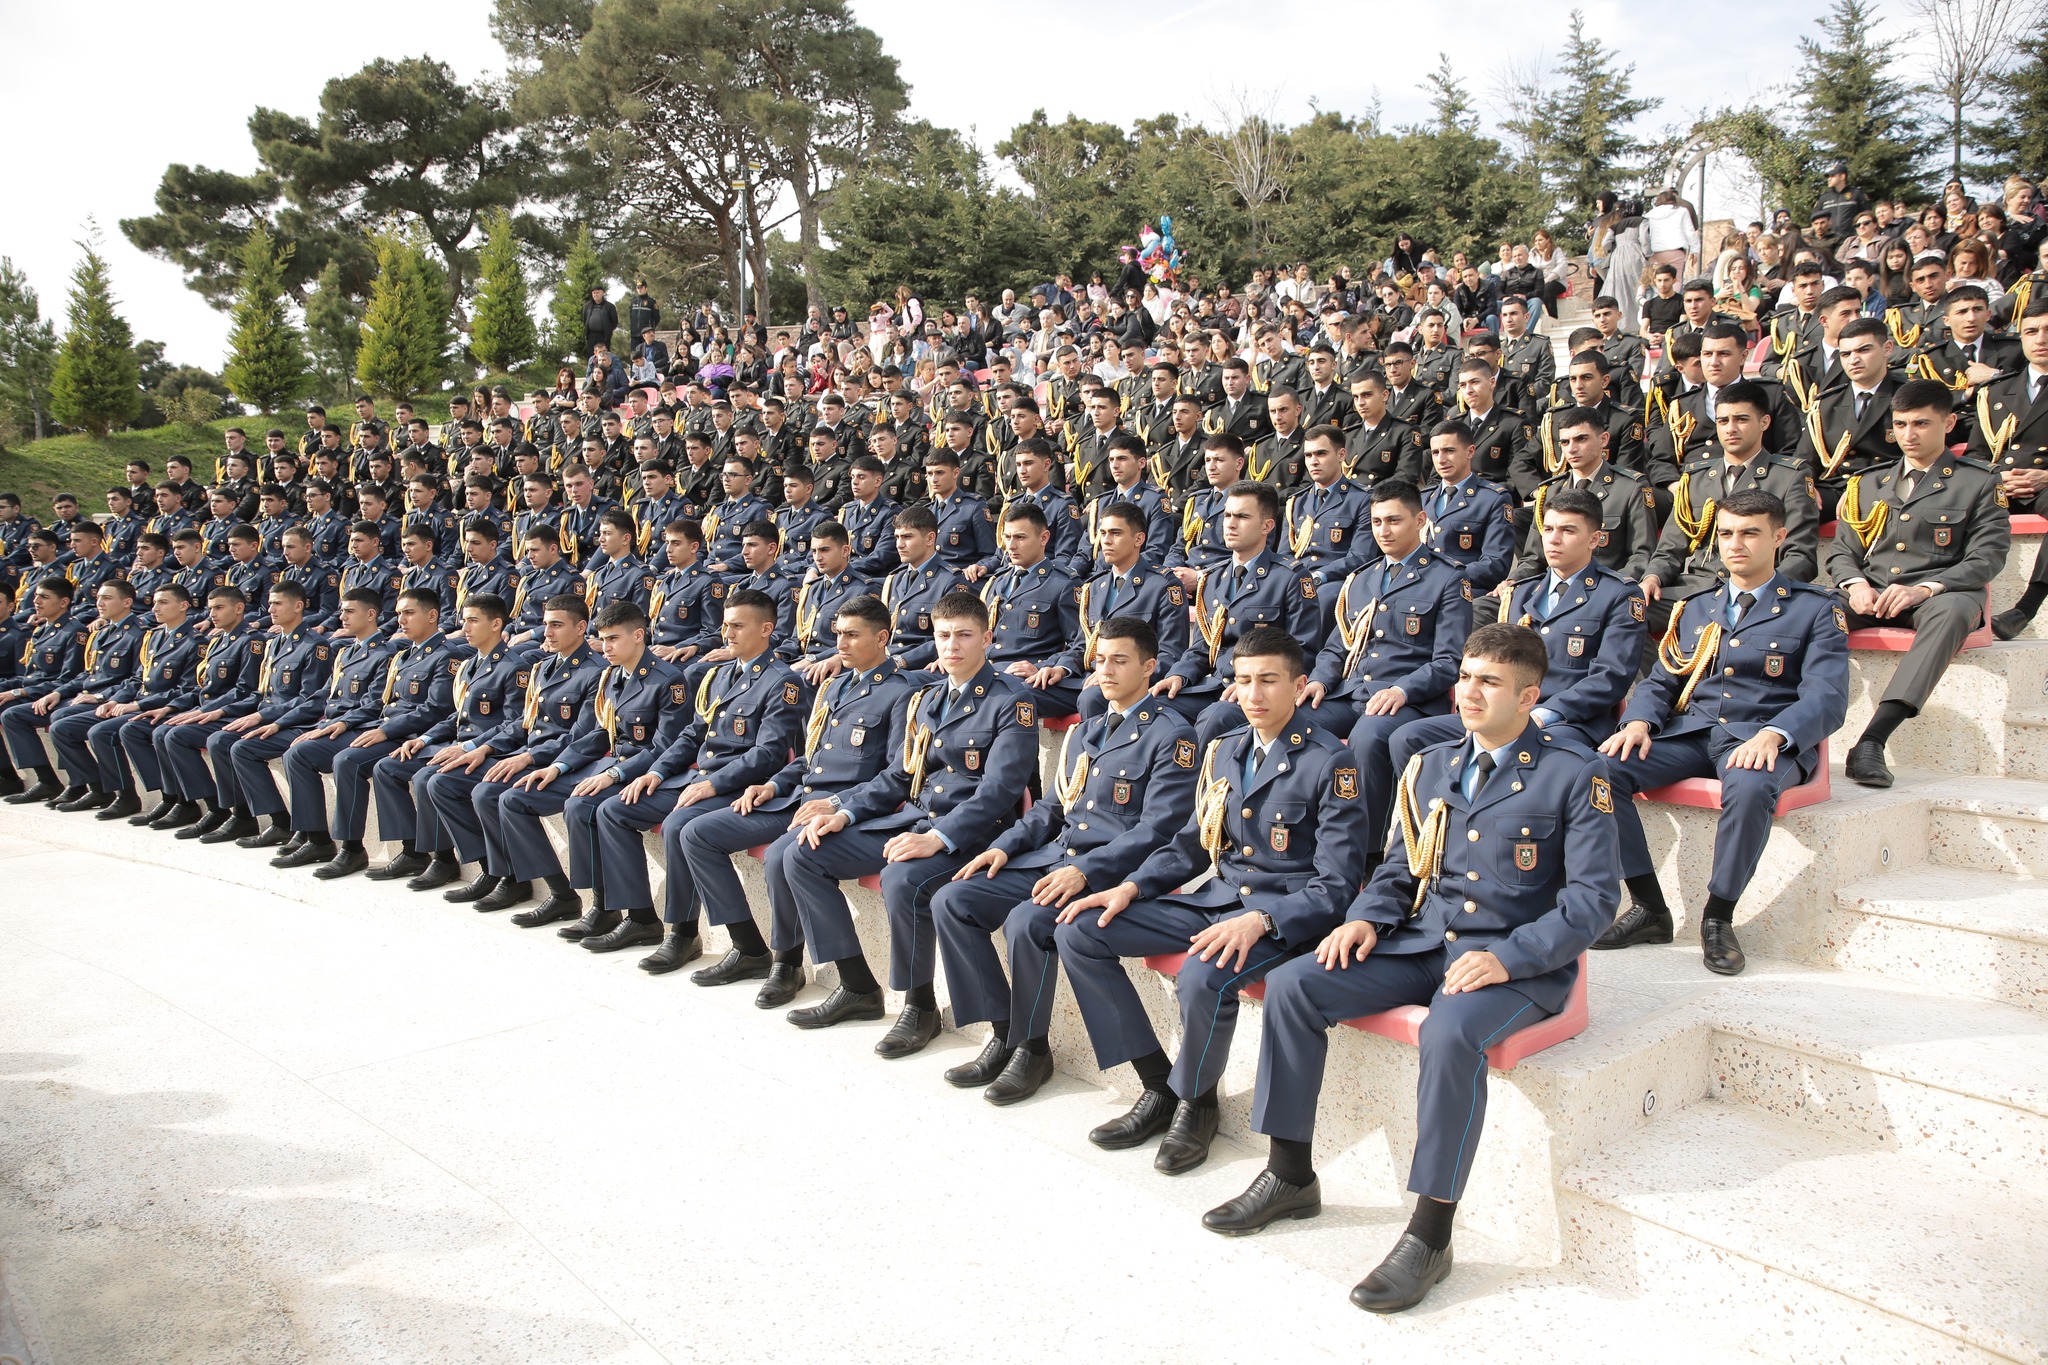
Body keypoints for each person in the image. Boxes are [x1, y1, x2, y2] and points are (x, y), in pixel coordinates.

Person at [1217, 624, 1617, 1314]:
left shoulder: (1574, 773)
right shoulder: (1430, 765)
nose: (1467, 690)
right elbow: (1403, 868)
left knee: (1449, 1033)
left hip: (1514, 963)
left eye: (1488, 680)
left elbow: (1592, 903)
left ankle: (1431, 1231)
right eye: (1464, 675)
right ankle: (1289, 1173)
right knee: (1293, 984)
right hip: (1426, 941)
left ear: (1529, 694)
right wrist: (1366, 918)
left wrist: (1508, 957)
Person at [1055, 624, 1370, 1174]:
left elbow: (1337, 885)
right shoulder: (1224, 748)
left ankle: (1196, 1106)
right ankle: (1158, 1085)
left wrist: (1261, 920)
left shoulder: (1330, 762)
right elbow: (1190, 845)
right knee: (1080, 930)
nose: (1253, 695)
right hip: (1215, 902)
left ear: (1299, 687)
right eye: (1243, 681)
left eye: (1269, 681)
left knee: (1204, 973)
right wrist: (1132, 886)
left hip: (1281, 917)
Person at [931, 616, 1198, 1105]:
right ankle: (1005, 1033)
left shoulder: (1172, 736)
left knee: (1027, 923)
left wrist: (1087, 871)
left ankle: (1032, 1051)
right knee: (954, 898)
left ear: (1150, 667)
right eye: (1100, 661)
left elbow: (1157, 830)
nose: (1107, 671)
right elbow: (1053, 808)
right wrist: (1005, 846)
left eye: (1121, 661)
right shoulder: (1086, 731)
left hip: (1106, 872)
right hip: (1055, 859)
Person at [1596, 491, 1849, 975]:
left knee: (1751, 784)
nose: (1736, 544)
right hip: (1694, 731)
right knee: (1602, 768)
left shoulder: (1815, 609)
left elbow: (1827, 697)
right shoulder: (1697, 606)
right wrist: (1638, 721)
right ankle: (1649, 906)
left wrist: (1776, 734)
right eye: (1727, 533)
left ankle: (1718, 917)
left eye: (1750, 532)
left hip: (1762, 736)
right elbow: (1664, 679)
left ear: (1779, 537)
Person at [780, 590, 1039, 1058]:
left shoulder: (1010, 701)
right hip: (921, 820)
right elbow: (903, 775)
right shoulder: (928, 699)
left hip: (976, 834)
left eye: (964, 635)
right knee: (805, 851)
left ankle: (920, 1007)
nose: (952, 646)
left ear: (988, 638)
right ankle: (857, 985)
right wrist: (847, 811)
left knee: (903, 877)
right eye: (943, 636)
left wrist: (938, 839)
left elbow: (999, 791)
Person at [670, 594, 917, 1001]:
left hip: (851, 810)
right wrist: (774, 784)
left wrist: (839, 805)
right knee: (697, 834)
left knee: (785, 855)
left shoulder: (900, 693)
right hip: (798, 801)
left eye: (853, 635)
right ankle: (748, 947)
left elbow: (898, 775)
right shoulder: (837, 686)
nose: (840, 644)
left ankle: (793, 965)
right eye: (838, 634)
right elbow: (811, 757)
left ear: (882, 638)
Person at [566, 589, 804, 964]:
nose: (729, 633)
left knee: (680, 825)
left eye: (739, 626)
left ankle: (689, 933)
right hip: (700, 781)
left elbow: (769, 753)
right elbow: (693, 734)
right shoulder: (718, 675)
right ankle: (641, 917)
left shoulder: (782, 681)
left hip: (745, 788)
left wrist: (714, 783)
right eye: (726, 625)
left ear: (767, 630)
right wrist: (657, 772)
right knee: (615, 809)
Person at [1827, 379, 2011, 787]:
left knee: (1955, 611)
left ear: (1948, 424)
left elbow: (1988, 557)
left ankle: (1873, 739)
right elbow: (1842, 552)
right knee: (1810, 609)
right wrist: (1856, 585)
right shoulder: (1869, 483)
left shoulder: (1979, 482)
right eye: (1901, 424)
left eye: (1922, 424)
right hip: (1870, 593)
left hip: (1938, 595)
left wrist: (1924, 588)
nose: (1908, 435)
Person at [1398, 488, 1645, 768]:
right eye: (1548, 528)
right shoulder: (1521, 592)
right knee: (1407, 738)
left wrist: (1545, 713)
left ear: (1595, 539)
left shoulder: (1619, 595)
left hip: (1571, 720)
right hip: (1504, 712)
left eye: (1568, 530)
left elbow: (1611, 677)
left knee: (1523, 747)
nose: (1553, 538)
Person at [485, 601, 689, 938]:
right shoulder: (612, 676)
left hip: (642, 773)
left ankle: (617, 910)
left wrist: (614, 775)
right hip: (607, 767)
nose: (604, 647)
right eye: (603, 639)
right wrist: (558, 766)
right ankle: (562, 895)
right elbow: (599, 733)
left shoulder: (667, 679)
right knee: (516, 797)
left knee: (581, 807)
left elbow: (664, 747)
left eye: (613, 639)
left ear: (638, 636)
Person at [274, 587, 470, 879]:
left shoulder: (446, 657)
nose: (401, 620)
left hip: (411, 736)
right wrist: (355, 724)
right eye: (399, 613)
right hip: (381, 729)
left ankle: (354, 849)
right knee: (299, 753)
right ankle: (315, 838)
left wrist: (384, 730)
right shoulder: (404, 656)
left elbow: (435, 710)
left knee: (349, 761)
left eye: (409, 613)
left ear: (432, 616)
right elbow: (382, 702)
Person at [429, 596, 605, 912]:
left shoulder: (596, 672)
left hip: (564, 762)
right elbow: (524, 725)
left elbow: (581, 735)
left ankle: (557, 893)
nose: (547, 633)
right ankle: (497, 872)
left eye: (556, 625)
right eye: (545, 624)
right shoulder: (543, 668)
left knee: (492, 795)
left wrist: (528, 758)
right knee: (443, 782)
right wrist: (485, 748)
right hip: (529, 754)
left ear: (581, 628)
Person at [364, 593, 536, 886]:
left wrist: (470, 747)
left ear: (496, 624)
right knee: (388, 766)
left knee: (431, 780)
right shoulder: (471, 664)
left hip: (491, 750)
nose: (465, 628)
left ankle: (478, 865)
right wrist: (427, 737)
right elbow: (458, 717)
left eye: (473, 620)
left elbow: (516, 725)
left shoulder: (513, 667)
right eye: (464, 620)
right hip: (459, 745)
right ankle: (419, 852)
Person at [1155, 481, 1324, 745]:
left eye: (1243, 516)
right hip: (1213, 685)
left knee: (1216, 717)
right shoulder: (1212, 578)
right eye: (1227, 515)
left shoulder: (1291, 578)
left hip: (1258, 693)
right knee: (1153, 709)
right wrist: (1179, 674)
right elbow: (1202, 646)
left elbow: (1302, 649)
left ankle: (1195, 786)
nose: (1231, 524)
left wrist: (1251, 684)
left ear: (1267, 526)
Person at [2, 579, 145, 809]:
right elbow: (86, 675)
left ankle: (96, 787)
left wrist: (101, 697)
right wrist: (57, 693)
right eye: (98, 597)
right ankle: (62, 782)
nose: (99, 602)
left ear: (127, 602)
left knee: (61, 722)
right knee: (14, 715)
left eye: (107, 598)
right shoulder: (102, 632)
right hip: (85, 696)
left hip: (111, 700)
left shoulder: (139, 635)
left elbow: (136, 680)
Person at [1516, 406, 1657, 582]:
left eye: (1581, 439)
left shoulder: (1630, 488)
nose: (1572, 449)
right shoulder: (1551, 491)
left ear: (1603, 439)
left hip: (1605, 589)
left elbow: (1642, 555)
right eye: (1565, 442)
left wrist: (1611, 589)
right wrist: (1513, 581)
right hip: (1554, 587)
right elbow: (1533, 558)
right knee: (1486, 605)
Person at [1418, 422, 1516, 594]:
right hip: (1419, 590)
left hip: (1464, 593)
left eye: (1449, 451)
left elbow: (1495, 563)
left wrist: (1443, 577)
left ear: (1470, 451)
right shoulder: (1423, 498)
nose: (1441, 459)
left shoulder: (1493, 498)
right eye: (1435, 452)